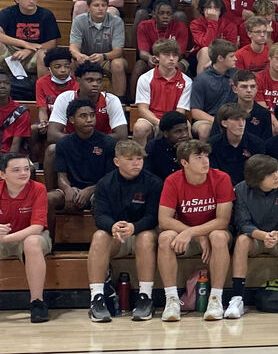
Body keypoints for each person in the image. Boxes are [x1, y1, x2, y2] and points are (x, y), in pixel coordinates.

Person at [157, 139, 234, 322]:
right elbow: (164, 220)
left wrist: (194, 232)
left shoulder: (222, 178)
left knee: (218, 236)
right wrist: (196, 235)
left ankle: (215, 299)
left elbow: (223, 221)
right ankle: (172, 300)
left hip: (211, 231)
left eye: (206, 156)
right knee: (165, 238)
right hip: (186, 234)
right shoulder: (173, 180)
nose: (205, 161)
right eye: (198, 157)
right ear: (184, 162)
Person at [226, 153, 278, 319]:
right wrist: (262, 235)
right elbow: (242, 224)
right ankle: (237, 299)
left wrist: (277, 234)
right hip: (254, 238)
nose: (276, 176)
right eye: (270, 174)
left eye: (277, 171)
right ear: (257, 177)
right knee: (241, 240)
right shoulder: (242, 189)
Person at [89, 139, 161, 322]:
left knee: (145, 237)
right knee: (99, 236)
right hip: (117, 237)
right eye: (130, 159)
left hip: (141, 233)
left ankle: (145, 297)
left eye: (139, 158)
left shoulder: (153, 183)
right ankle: (96, 298)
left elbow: (154, 216)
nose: (136, 163)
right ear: (117, 161)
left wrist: (134, 227)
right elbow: (100, 215)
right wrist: (112, 226)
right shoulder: (105, 183)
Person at [0, 152, 51, 323]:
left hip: (29, 237)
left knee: (32, 241)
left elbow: (37, 228)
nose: (23, 173)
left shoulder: (38, 188)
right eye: (16, 170)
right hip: (4, 237)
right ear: (2, 174)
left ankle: (37, 303)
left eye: (26, 169)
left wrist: (5, 239)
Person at [47, 98, 114, 218]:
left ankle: (101, 235)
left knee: (102, 201)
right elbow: (61, 176)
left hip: (98, 189)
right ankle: (51, 236)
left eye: (92, 115)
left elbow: (110, 178)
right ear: (72, 119)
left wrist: (90, 190)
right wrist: (68, 189)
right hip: (73, 189)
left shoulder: (108, 142)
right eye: (83, 116)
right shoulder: (64, 143)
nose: (89, 120)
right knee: (49, 199)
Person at [132, 38, 192, 145]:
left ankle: (183, 158)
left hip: (174, 119)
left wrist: (169, 125)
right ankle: (141, 159)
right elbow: (143, 109)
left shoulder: (187, 81)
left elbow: (180, 111)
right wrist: (160, 123)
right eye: (167, 54)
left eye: (175, 55)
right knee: (139, 127)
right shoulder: (145, 78)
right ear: (157, 57)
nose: (171, 59)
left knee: (186, 127)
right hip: (152, 119)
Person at [69, 0, 127, 99]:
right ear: (88, 7)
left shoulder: (117, 21)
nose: (100, 8)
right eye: (96, 5)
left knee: (118, 64)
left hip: (107, 59)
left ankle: (120, 101)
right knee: (72, 61)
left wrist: (103, 56)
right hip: (85, 58)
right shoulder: (79, 20)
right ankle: (75, 97)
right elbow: (73, 47)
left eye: (103, 5)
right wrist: (78, 55)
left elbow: (118, 51)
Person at [208, 104, 264, 186]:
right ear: (224, 123)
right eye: (236, 120)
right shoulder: (212, 144)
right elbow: (213, 173)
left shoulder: (256, 143)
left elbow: (259, 173)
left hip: (250, 188)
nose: (241, 124)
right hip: (221, 187)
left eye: (243, 120)